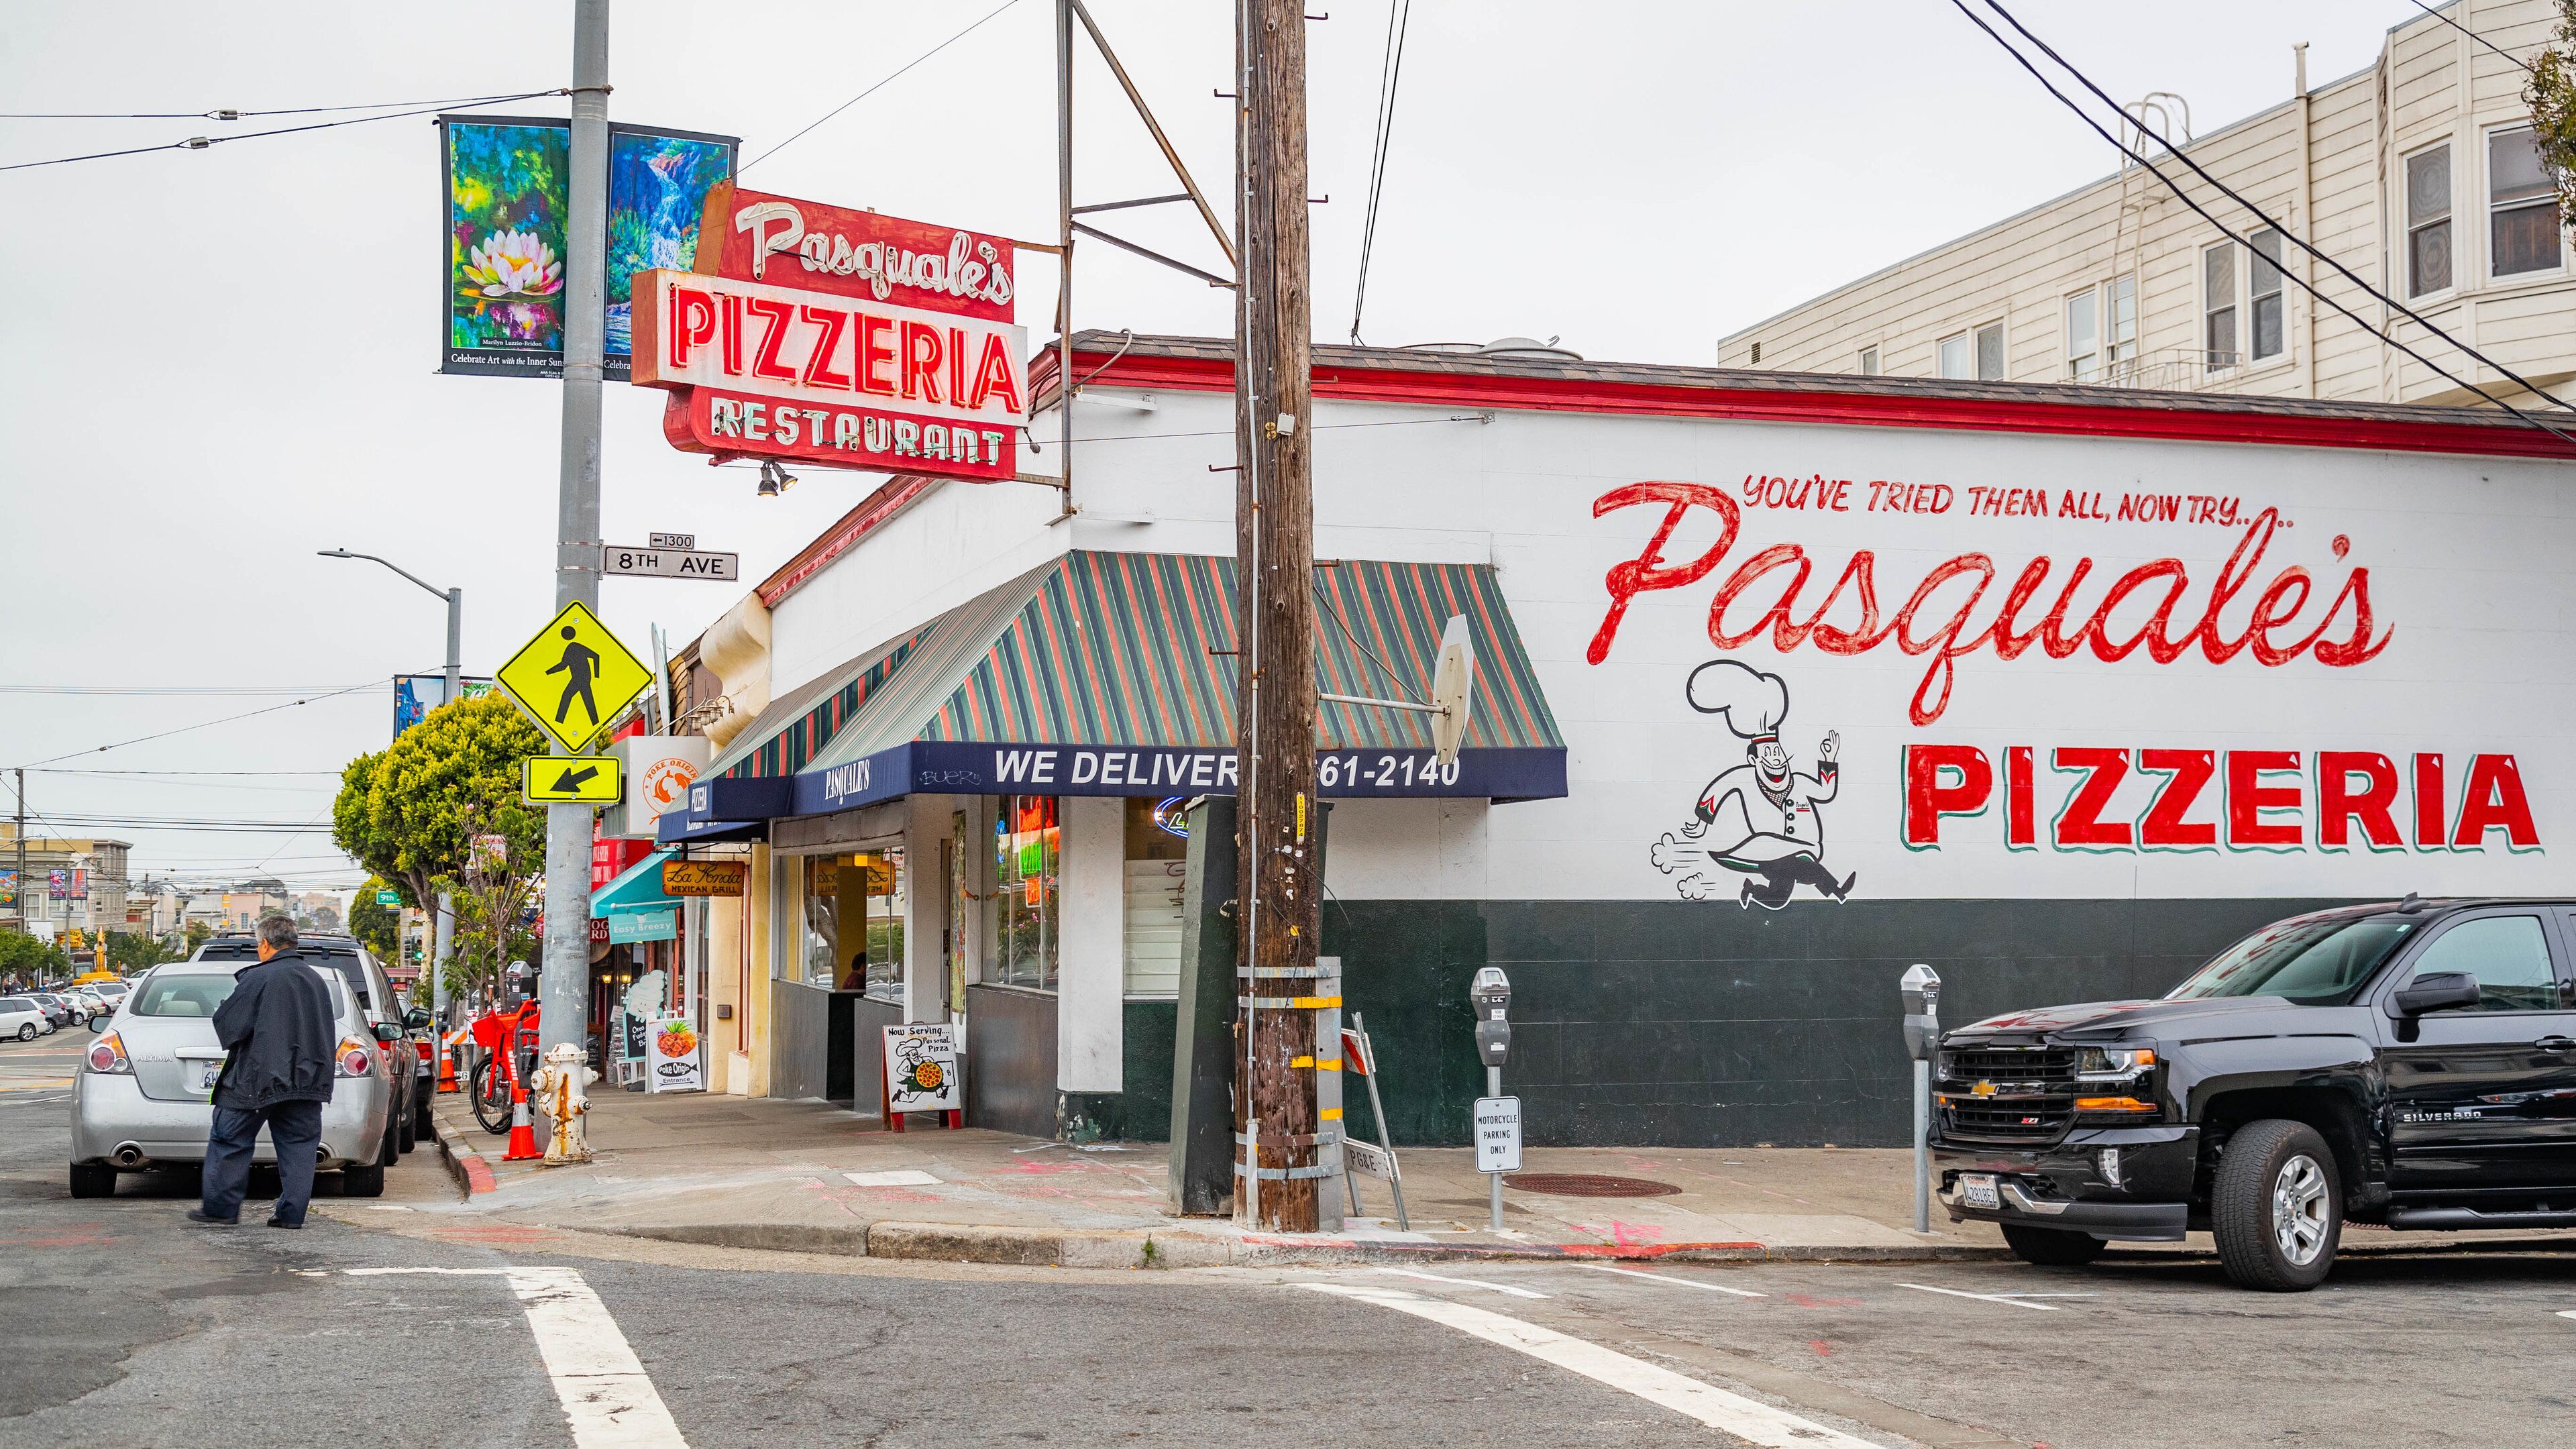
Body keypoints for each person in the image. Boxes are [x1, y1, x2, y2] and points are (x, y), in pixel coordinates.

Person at [191, 914, 337, 1228]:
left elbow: (230, 1027)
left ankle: (221, 1209)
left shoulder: (259, 978)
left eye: (259, 946)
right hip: (308, 1081)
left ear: (266, 944)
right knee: (299, 1147)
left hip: (256, 1079)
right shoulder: (315, 981)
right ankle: (291, 1216)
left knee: (229, 1138)